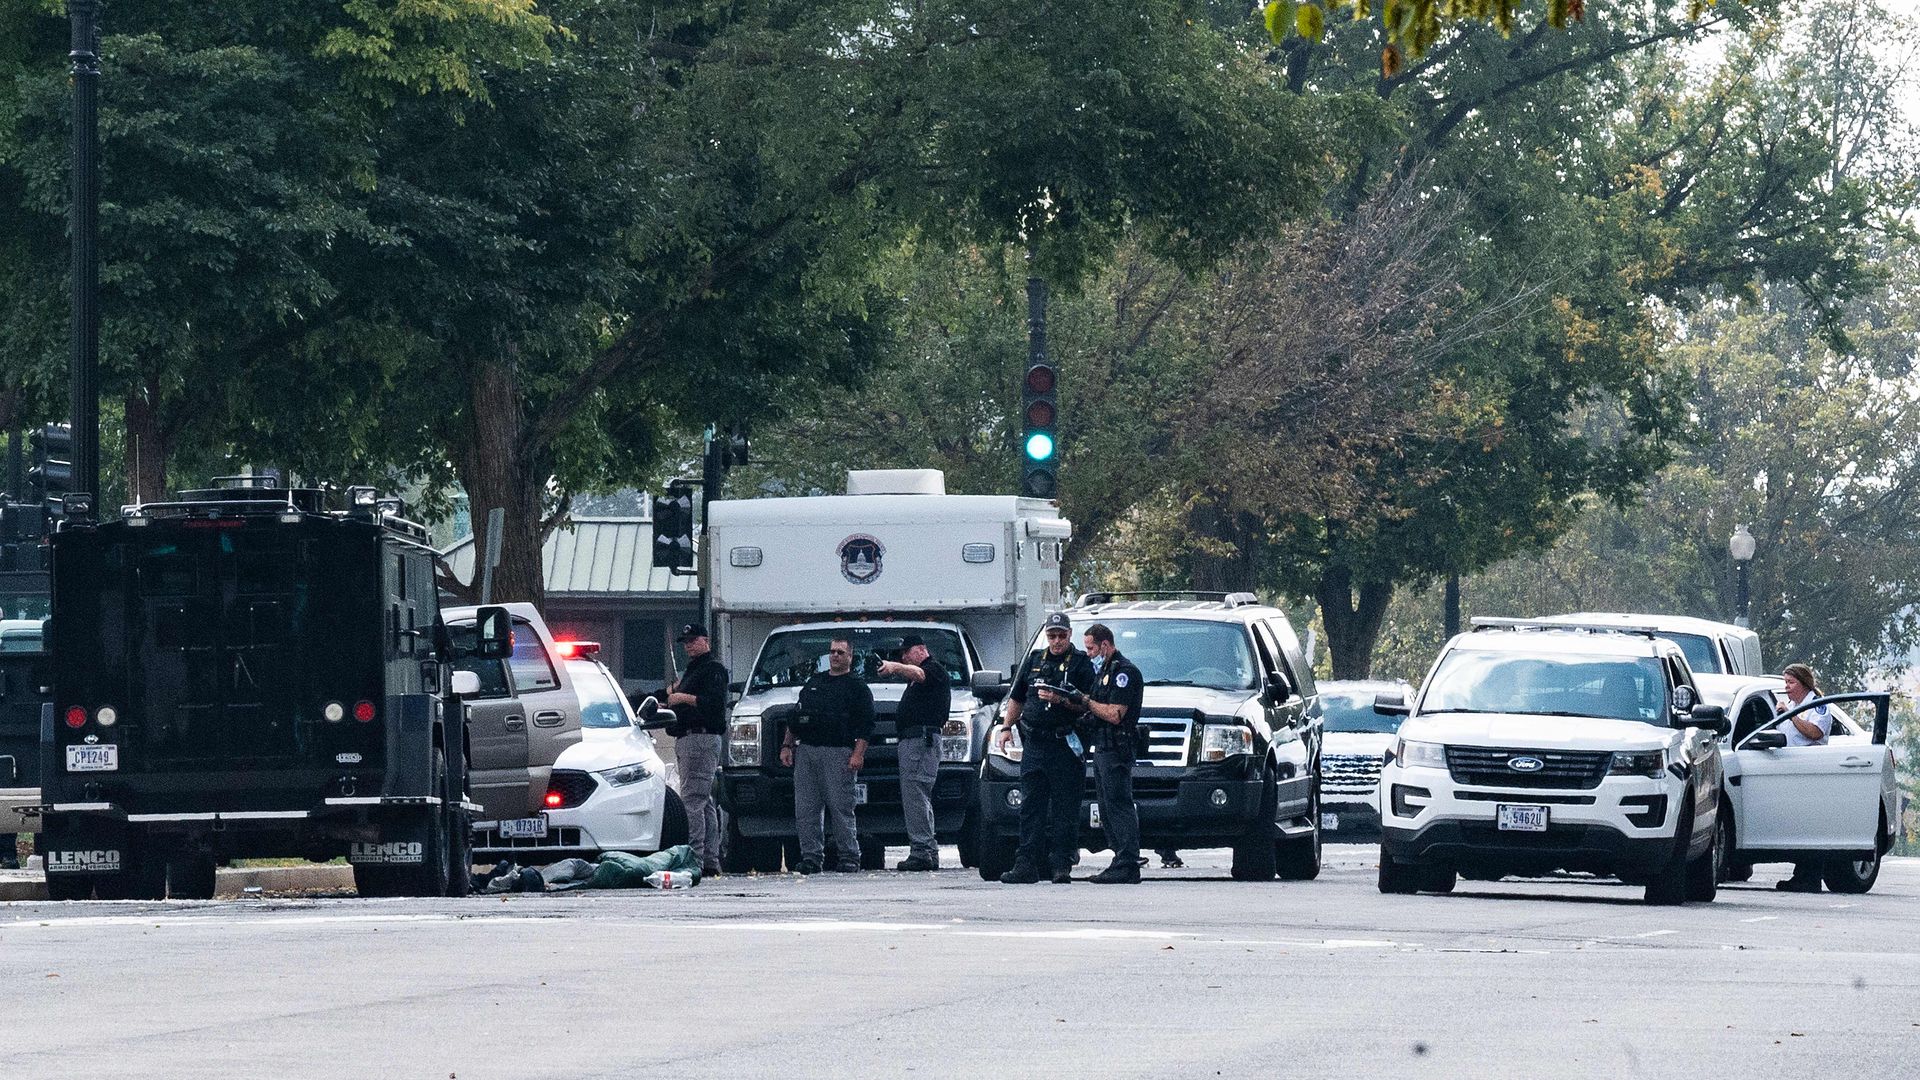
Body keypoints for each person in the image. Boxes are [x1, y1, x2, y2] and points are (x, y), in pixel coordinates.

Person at [992, 612, 1097, 884]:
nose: (1057, 641)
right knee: (1030, 807)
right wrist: (1006, 728)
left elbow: (1089, 704)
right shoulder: (1035, 660)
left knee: (1065, 808)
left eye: (1062, 635)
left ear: (1070, 635)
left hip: (1065, 743)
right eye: (1052, 635)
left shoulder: (1081, 664)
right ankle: (1026, 863)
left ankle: (1061, 863)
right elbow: (1017, 698)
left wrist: (1061, 700)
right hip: (1035, 743)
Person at [782, 637, 874, 875]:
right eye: (832, 652)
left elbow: (866, 726)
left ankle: (849, 857)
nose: (835, 656)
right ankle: (811, 858)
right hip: (807, 752)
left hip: (839, 753)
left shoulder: (857, 687)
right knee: (806, 809)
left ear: (850, 657)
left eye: (841, 653)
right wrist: (787, 746)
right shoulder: (815, 682)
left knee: (841, 807)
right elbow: (796, 718)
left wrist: (858, 755)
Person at [1081, 622, 1144, 884]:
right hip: (1102, 748)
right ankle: (1120, 857)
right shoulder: (1104, 671)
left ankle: (1128, 860)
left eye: (1091, 648)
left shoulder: (1124, 672)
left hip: (1117, 749)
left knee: (1119, 805)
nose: (1088, 654)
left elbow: (1115, 713)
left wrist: (1086, 701)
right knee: (1106, 808)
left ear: (1105, 645)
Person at [665, 623, 730, 878]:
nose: (689, 645)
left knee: (692, 801)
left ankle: (695, 858)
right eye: (685, 642)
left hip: (701, 737)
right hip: (688, 738)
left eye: (693, 640)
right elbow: (672, 692)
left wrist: (682, 698)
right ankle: (710, 860)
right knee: (704, 803)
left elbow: (714, 704)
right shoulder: (692, 671)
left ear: (706, 641)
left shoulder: (713, 669)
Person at [879, 634, 948, 871]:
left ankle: (921, 851)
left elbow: (918, 674)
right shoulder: (924, 674)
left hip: (921, 741)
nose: (904, 657)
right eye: (901, 655)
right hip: (916, 741)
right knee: (918, 795)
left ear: (921, 649)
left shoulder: (933, 670)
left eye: (906, 653)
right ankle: (928, 850)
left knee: (915, 794)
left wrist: (895, 667)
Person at [1773, 662, 1835, 893]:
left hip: (1811, 769)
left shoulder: (1817, 706)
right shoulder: (1790, 705)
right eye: (1785, 683)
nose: (1787, 687)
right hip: (1790, 770)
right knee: (1797, 824)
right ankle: (1801, 874)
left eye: (1791, 682)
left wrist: (1791, 716)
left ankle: (1810, 876)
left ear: (1803, 683)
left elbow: (1814, 732)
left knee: (1810, 824)